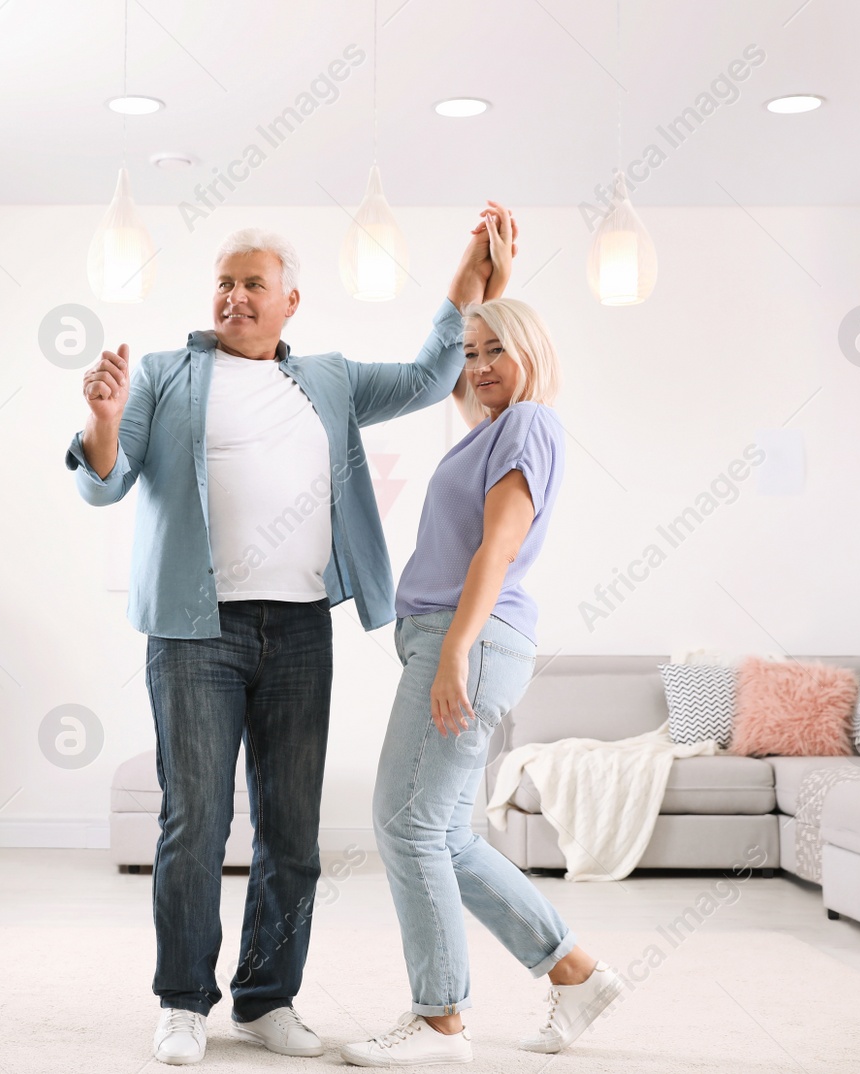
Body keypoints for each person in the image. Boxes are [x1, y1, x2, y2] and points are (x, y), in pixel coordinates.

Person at [65, 213, 511, 1066]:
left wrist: (467, 279)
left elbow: (427, 378)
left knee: (292, 830)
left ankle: (268, 1000)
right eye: (224, 284)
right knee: (193, 822)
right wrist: (104, 419)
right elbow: (105, 485)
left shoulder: (332, 380)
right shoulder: (163, 375)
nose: (234, 297)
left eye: (252, 284)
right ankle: (184, 1003)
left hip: (301, 626)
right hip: (195, 632)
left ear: (290, 302)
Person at [341, 208, 625, 1066]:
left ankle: (440, 1024)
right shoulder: (492, 424)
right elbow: (458, 383)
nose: (479, 367)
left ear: (532, 354)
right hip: (452, 635)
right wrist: (480, 284)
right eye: (471, 353)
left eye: (497, 350)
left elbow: (498, 549)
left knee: (405, 826)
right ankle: (576, 974)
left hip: (470, 636)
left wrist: (455, 650)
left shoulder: (532, 425)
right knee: (445, 833)